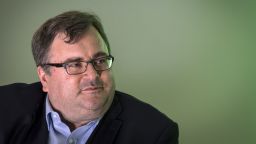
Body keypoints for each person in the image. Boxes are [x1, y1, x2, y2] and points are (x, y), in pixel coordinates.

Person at [0, 11, 179, 144]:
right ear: (44, 78)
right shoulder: (5, 108)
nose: (93, 75)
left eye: (100, 60)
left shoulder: (154, 134)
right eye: (75, 64)